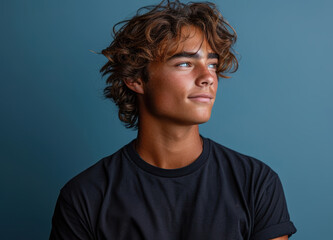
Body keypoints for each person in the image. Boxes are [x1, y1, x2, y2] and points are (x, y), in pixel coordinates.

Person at [49, 0, 297, 239]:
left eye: (212, 64)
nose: (208, 77)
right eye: (185, 63)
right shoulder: (85, 196)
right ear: (136, 79)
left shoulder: (256, 183)